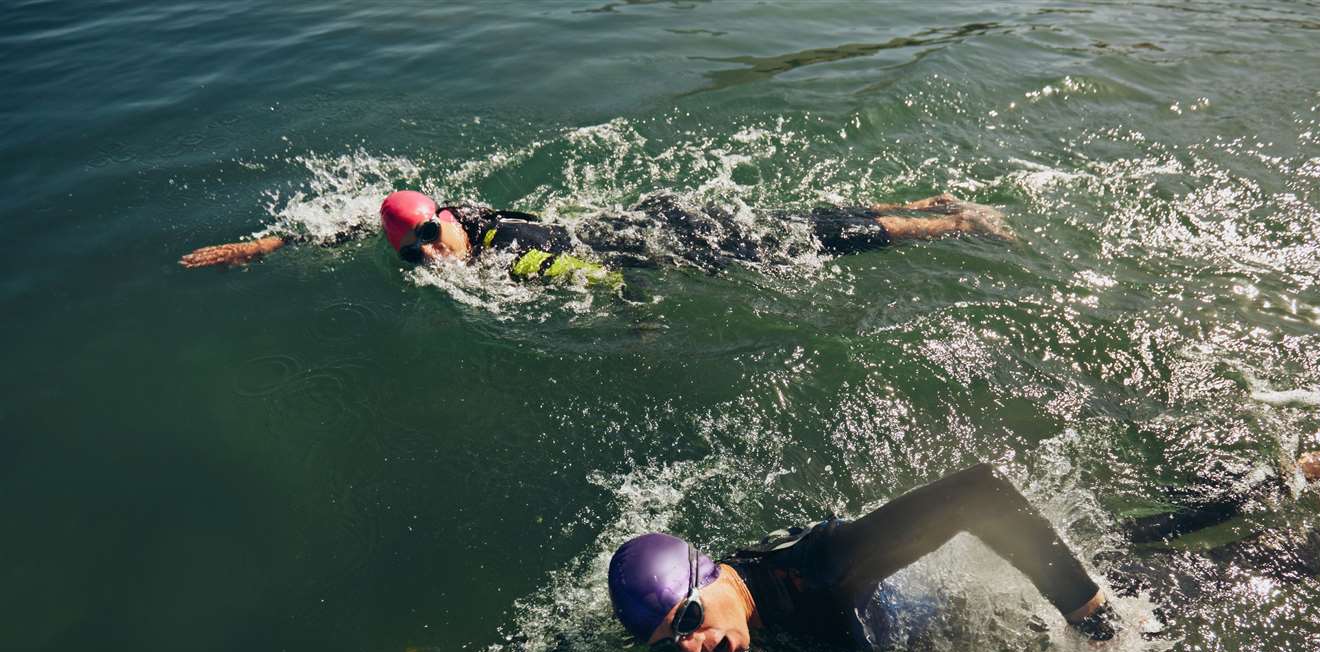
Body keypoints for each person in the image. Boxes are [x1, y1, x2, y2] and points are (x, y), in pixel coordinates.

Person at [344, 434, 1320, 652]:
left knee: (1188, 583)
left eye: (688, 618)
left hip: (983, 603)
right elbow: (579, 644)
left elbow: (983, 493)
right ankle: (1303, 469)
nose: (692, 644)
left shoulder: (823, 567)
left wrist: (1087, 618)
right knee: (1145, 535)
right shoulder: (695, 618)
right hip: (939, 623)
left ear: (713, 574)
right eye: (668, 640)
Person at [178, 188, 1016, 285]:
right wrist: (264, 246)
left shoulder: (510, 251)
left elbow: (602, 282)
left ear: (444, 220)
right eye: (409, 251)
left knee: (813, 241)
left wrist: (639, 323)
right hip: (642, 223)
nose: (427, 253)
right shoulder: (462, 217)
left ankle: (956, 219)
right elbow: (354, 222)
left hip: (674, 240)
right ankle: (931, 204)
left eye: (428, 237)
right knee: (803, 226)